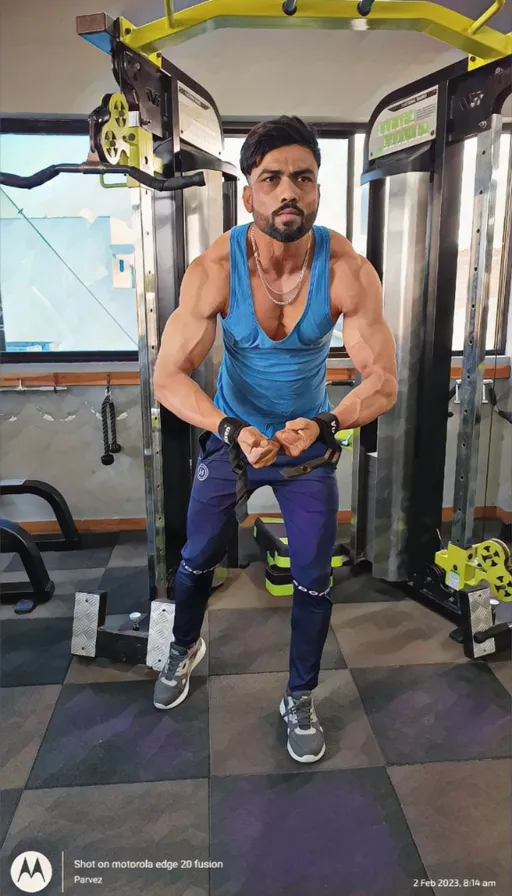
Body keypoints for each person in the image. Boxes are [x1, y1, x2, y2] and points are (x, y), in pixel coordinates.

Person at [152, 116, 397, 763]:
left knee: (315, 579)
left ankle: (300, 695)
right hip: (233, 438)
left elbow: (383, 381)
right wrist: (230, 428)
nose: (289, 190)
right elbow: (167, 378)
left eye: (304, 177)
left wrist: (327, 423)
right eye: (271, 178)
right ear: (250, 194)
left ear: (318, 189)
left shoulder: (346, 269)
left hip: (306, 448)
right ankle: (184, 646)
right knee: (197, 556)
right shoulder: (214, 270)